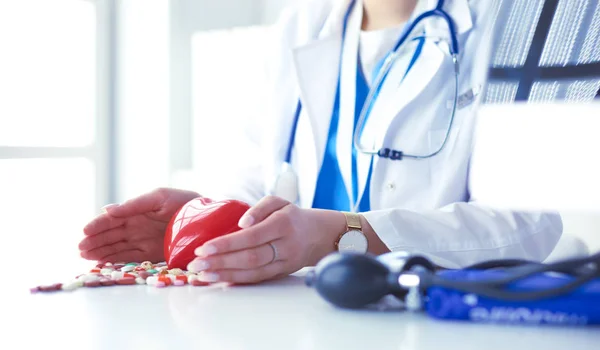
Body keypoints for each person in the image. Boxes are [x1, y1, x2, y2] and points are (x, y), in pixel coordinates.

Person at [79, 0, 563, 284]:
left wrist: (338, 237)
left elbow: (534, 221)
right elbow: (259, 181)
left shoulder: (523, 21)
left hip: (455, 333)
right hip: (314, 325)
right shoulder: (304, 22)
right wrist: (206, 223)